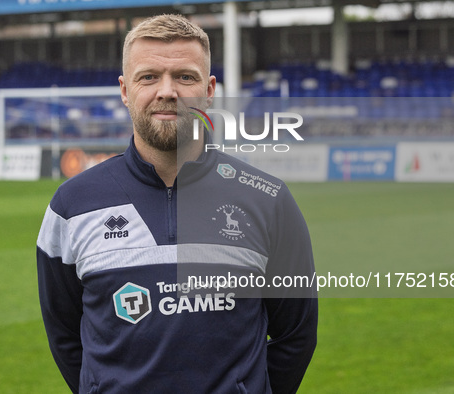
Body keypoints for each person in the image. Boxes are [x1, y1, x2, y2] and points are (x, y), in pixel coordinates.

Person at [37, 14, 317, 394]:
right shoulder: (72, 205)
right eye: (148, 77)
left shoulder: (266, 199)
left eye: (185, 77)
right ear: (124, 90)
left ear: (209, 89)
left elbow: (296, 336)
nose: (166, 91)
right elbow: (65, 334)